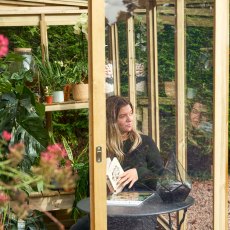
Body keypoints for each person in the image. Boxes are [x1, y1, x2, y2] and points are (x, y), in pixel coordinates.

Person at [70, 95, 164, 230]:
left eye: (131, 113)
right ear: (111, 121)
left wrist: (139, 173)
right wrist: (104, 187)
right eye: (123, 116)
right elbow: (92, 191)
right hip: (110, 209)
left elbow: (163, 181)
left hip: (141, 211)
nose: (129, 119)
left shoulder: (145, 143)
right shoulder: (100, 148)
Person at [187, 101, 213, 177]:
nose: (198, 116)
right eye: (195, 112)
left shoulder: (210, 134)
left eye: (203, 114)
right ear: (189, 113)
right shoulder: (181, 134)